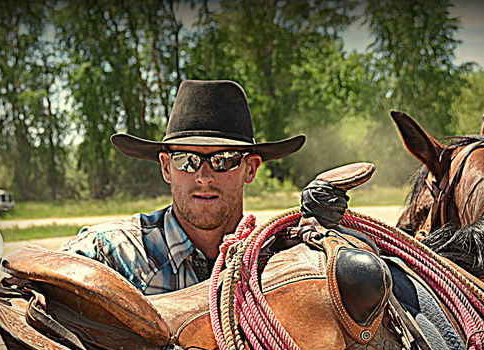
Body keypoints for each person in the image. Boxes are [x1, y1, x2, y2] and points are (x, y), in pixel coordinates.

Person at [60, 80, 305, 294]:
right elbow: (32, 280)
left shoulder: (281, 257)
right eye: (186, 160)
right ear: (166, 167)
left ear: (250, 168)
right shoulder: (112, 252)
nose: (204, 177)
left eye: (223, 159)